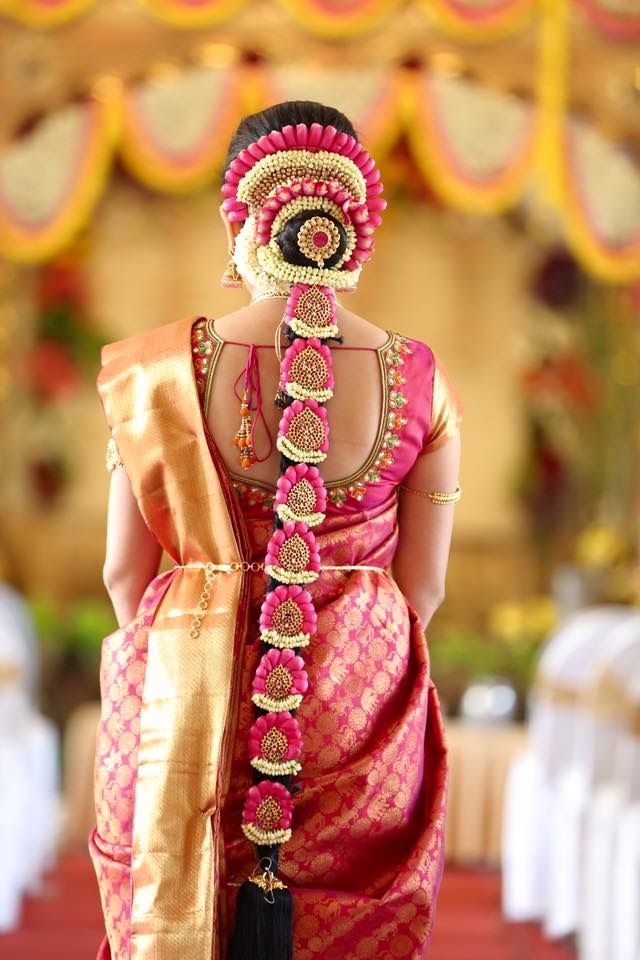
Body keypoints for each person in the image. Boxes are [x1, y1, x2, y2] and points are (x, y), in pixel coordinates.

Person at [90, 100, 463, 960]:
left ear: (239, 219)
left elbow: (121, 573)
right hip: (353, 700)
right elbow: (427, 588)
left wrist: (180, 677)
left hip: (187, 696)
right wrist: (360, 667)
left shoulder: (155, 373)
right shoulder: (421, 379)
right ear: (352, 223)